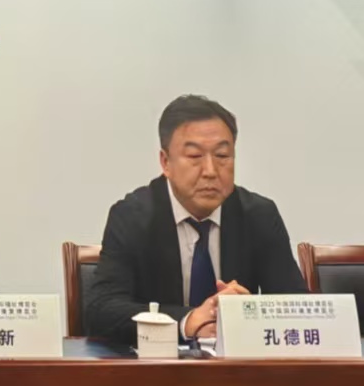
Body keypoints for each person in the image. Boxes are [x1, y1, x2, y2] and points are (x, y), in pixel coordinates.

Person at [85, 94, 305, 348]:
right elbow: (101, 310)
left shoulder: (259, 215)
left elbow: (297, 307)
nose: (210, 171)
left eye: (222, 155)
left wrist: (250, 311)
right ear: (165, 163)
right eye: (194, 156)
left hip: (235, 367)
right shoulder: (132, 216)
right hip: (156, 364)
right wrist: (186, 321)